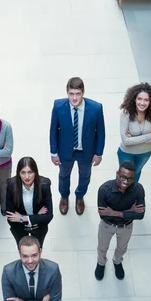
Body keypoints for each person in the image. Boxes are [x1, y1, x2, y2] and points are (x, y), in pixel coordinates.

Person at [50, 76, 105, 216]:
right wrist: (53, 152)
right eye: (71, 94)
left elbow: (101, 133)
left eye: (78, 94)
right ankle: (64, 196)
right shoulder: (58, 106)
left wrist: (98, 153)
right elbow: (53, 130)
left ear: (83, 92)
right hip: (65, 151)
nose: (74, 98)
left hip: (86, 152)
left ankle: (79, 197)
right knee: (63, 176)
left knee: (85, 176)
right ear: (67, 92)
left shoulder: (96, 108)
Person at [95, 162, 145, 281]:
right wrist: (130, 211)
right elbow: (103, 215)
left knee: (122, 248)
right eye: (123, 177)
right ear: (117, 174)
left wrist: (113, 212)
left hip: (126, 226)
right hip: (107, 225)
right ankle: (101, 263)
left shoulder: (138, 189)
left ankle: (117, 262)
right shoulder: (104, 189)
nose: (126, 181)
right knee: (102, 247)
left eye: (130, 179)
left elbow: (140, 215)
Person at [118, 82, 151, 182]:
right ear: (134, 99)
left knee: (136, 173)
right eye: (139, 99)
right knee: (124, 176)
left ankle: (131, 196)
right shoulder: (126, 114)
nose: (142, 103)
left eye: (146, 100)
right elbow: (125, 141)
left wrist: (132, 138)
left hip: (144, 153)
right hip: (126, 152)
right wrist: (148, 136)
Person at [6, 157, 53, 249]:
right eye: (23, 172)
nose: (27, 177)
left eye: (30, 172)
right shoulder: (11, 185)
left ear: (35, 172)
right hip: (19, 228)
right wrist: (37, 216)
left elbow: (48, 216)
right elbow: (10, 216)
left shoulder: (44, 185)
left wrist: (23, 218)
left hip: (39, 227)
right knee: (23, 250)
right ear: (18, 173)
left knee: (37, 249)